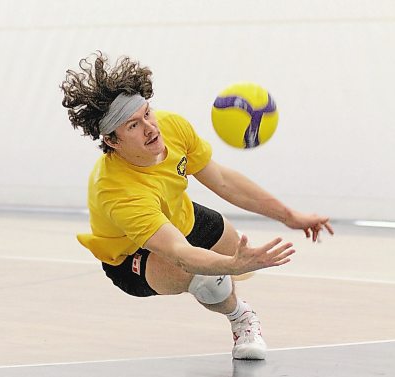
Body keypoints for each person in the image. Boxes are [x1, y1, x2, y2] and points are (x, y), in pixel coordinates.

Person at [60, 52, 334, 360]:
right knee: (208, 280)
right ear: (112, 140)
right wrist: (231, 266)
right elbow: (178, 252)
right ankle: (241, 317)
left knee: (236, 269)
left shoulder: (172, 127)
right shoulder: (117, 191)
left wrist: (289, 216)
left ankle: (225, 282)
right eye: (133, 126)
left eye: (147, 114)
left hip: (183, 216)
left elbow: (222, 181)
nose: (151, 128)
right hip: (130, 257)